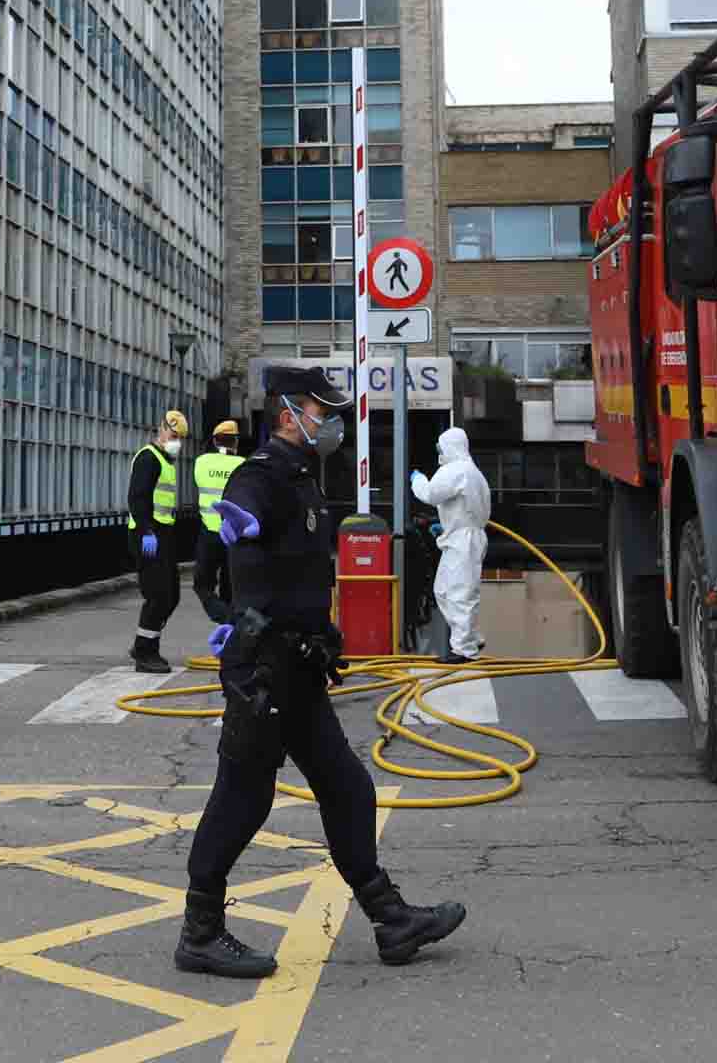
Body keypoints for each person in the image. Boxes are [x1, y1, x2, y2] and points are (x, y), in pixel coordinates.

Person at [176, 366, 465, 979]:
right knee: (243, 799)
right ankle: (199, 933)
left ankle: (391, 919)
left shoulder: (304, 476)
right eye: (319, 408)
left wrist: (324, 635)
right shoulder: (261, 476)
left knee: (347, 788)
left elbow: (299, 573)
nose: (329, 420)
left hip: (300, 669)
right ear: (287, 412)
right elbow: (242, 547)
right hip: (266, 670)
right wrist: (246, 650)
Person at [408, 426, 493, 664]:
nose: (439, 452)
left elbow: (430, 494)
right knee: (444, 590)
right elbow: (467, 507)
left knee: (459, 592)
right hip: (462, 536)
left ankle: (464, 649)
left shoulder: (456, 470)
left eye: (440, 447)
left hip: (463, 540)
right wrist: (446, 527)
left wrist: (418, 480)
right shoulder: (473, 472)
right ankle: (471, 637)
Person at [127, 408, 191, 673]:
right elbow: (137, 498)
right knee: (158, 595)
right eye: (173, 434)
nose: (176, 440)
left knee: (171, 595)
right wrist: (147, 531)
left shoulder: (166, 462)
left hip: (163, 534)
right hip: (148, 535)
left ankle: (147, 644)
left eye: (180, 438)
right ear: (162, 429)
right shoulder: (149, 458)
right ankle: (144, 651)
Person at [190, 419, 244, 625]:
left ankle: (226, 620)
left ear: (214, 440)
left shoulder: (202, 463)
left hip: (210, 534)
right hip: (234, 536)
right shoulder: (242, 465)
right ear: (235, 442)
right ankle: (233, 632)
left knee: (202, 585)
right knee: (231, 588)